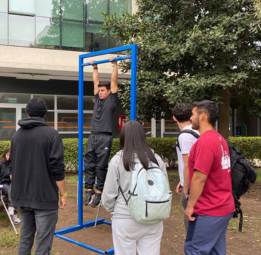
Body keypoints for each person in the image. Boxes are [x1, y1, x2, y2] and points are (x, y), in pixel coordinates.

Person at [10, 97, 67, 255]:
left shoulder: (17, 136)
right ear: (44, 114)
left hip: (22, 196)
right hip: (44, 197)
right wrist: (63, 194)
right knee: (43, 242)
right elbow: (57, 167)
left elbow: (13, 165)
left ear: (27, 113)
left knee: (25, 238)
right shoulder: (52, 135)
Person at [102, 121, 168, 255]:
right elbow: (164, 187)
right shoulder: (156, 159)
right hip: (153, 216)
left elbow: (109, 193)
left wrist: (112, 209)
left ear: (123, 137)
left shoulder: (118, 160)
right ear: (142, 136)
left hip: (125, 217)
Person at [184, 100, 234, 254]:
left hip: (209, 209)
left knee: (194, 250)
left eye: (193, 114)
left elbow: (200, 178)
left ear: (203, 116)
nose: (190, 118)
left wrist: (190, 205)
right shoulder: (219, 139)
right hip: (223, 206)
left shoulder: (205, 142)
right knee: (215, 251)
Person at [84, 57, 118, 208]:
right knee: (89, 163)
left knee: (101, 165)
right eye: (99, 90)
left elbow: (113, 80)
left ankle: (99, 192)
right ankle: (89, 190)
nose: (100, 92)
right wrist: (95, 67)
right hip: (93, 135)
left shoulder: (111, 99)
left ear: (109, 91)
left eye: (103, 90)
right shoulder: (98, 98)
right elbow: (95, 80)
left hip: (105, 136)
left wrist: (115, 65)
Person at [172, 103, 199, 230]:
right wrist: (181, 180)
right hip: (195, 181)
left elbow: (188, 165)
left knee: (191, 223)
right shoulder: (197, 131)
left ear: (174, 118)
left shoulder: (185, 136)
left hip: (192, 185)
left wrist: (185, 188)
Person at [0, 148, 21, 224]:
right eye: (8, 155)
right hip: (1, 185)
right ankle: (12, 209)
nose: (9, 157)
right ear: (5, 154)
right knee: (12, 190)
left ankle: (11, 207)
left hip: (11, 184)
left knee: (14, 188)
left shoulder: (14, 164)